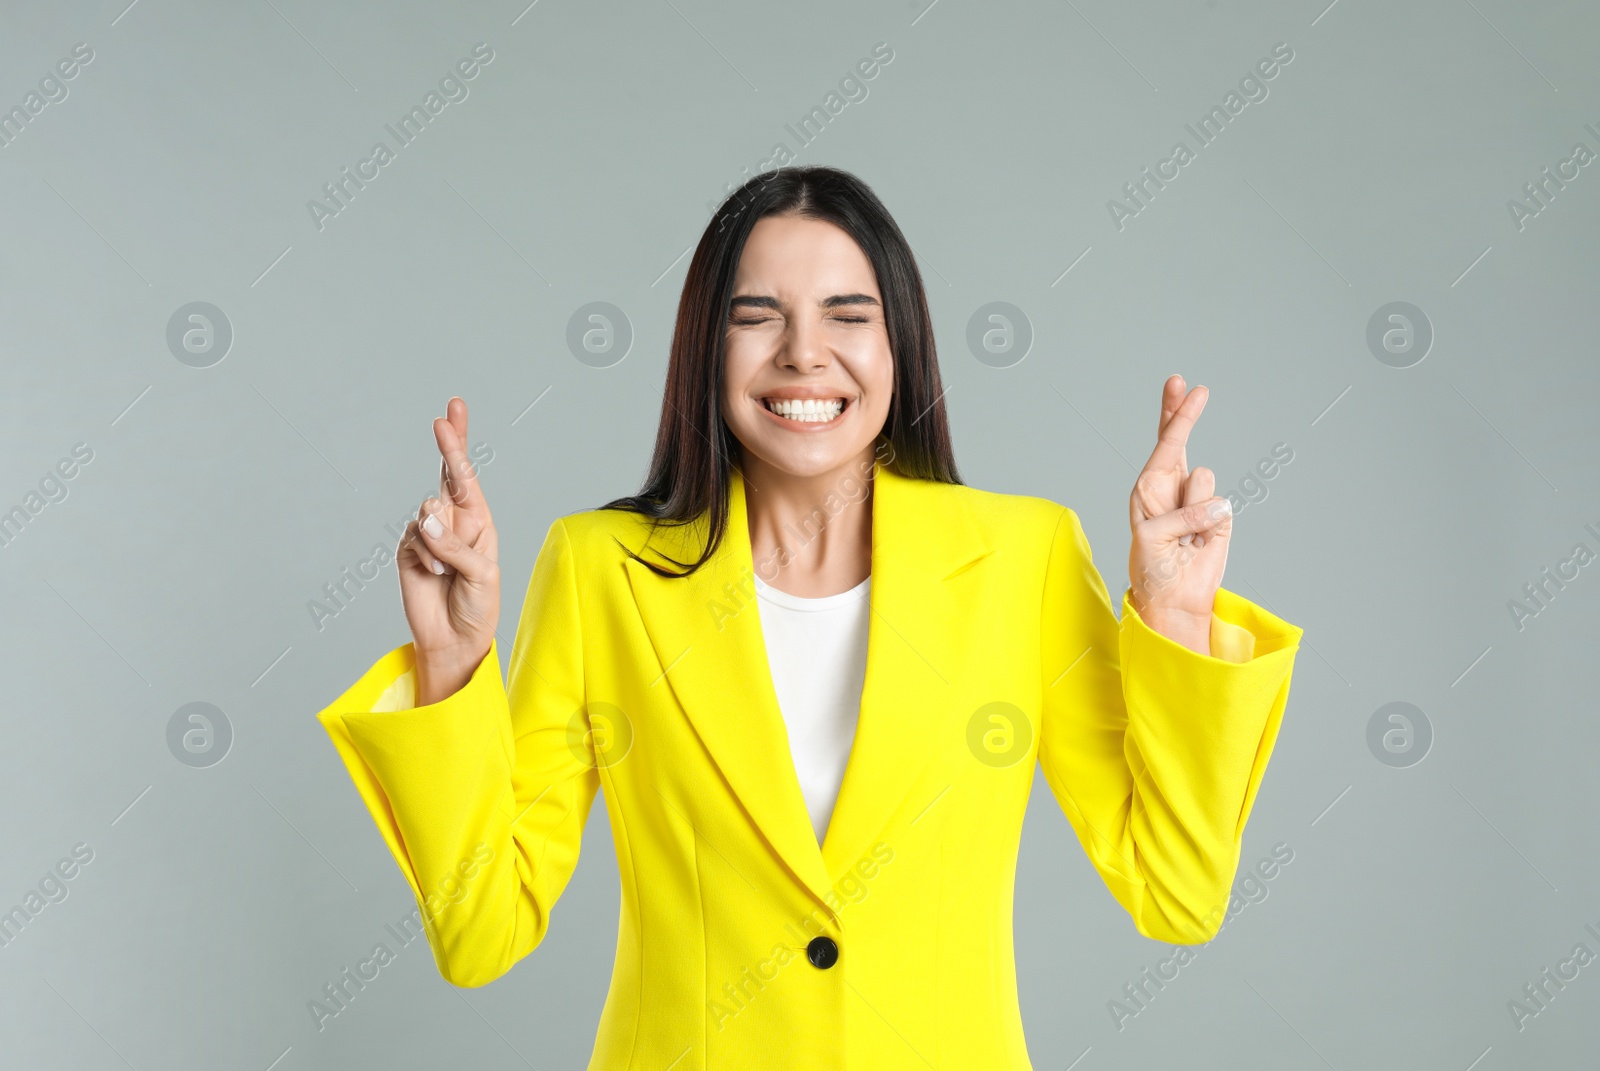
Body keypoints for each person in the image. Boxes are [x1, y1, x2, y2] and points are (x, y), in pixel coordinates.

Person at [315, 165, 1303, 1069]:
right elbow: (480, 932)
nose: (803, 354)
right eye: (757, 316)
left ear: (898, 344)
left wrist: (1171, 623)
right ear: (708, 348)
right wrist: (450, 662)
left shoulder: (1022, 560)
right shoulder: (600, 570)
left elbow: (1176, 895)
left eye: (846, 314)